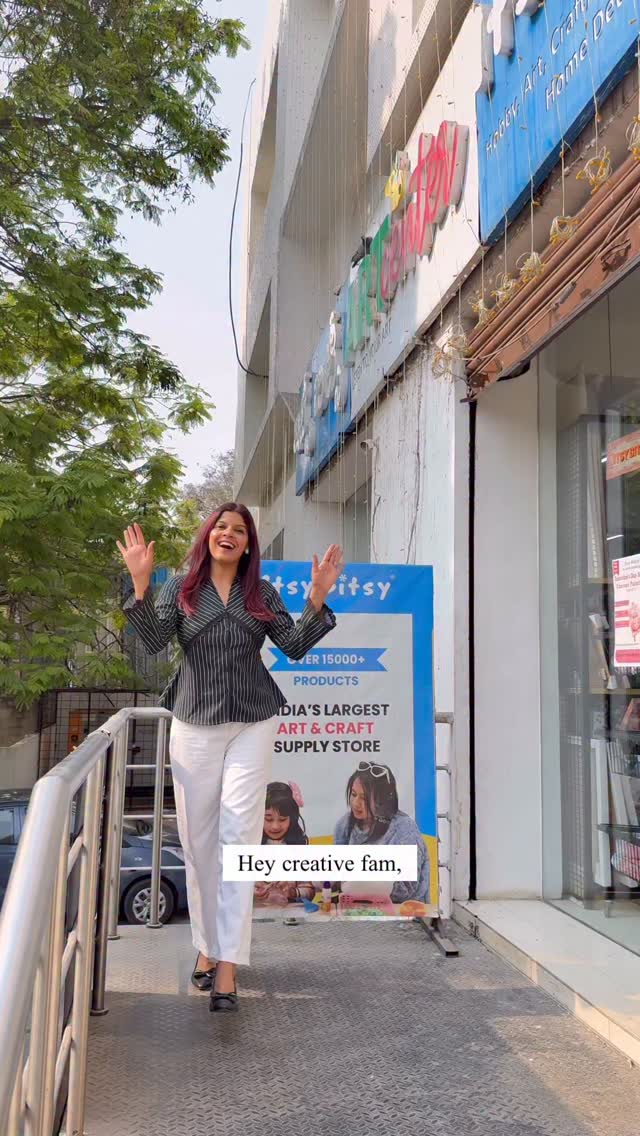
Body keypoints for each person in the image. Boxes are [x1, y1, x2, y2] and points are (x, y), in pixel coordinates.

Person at [117, 505, 342, 1012]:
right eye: (222, 526)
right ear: (209, 536)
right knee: (200, 845)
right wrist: (140, 585)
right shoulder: (182, 589)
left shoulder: (260, 592)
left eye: (240, 530)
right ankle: (206, 946)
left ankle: (227, 969)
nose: (229, 534)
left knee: (239, 839)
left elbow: (294, 645)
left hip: (252, 721)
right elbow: (152, 644)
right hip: (194, 723)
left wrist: (318, 597)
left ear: (248, 544)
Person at [334, 762, 430, 904]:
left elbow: (406, 888)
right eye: (353, 794)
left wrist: (362, 883)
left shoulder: (404, 829)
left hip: (404, 913)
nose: (355, 803)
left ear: (382, 800)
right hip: (359, 911)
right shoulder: (345, 824)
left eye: (364, 798)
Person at [254, 782, 315, 905]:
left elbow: (310, 892)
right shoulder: (250, 846)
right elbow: (233, 890)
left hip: (288, 914)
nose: (275, 826)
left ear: (292, 819)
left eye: (282, 819)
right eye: (268, 819)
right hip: (255, 914)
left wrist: (292, 892)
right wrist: (251, 892)